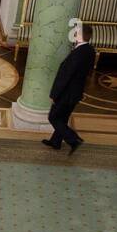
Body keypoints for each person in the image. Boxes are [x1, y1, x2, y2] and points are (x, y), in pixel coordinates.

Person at [43, 23, 96, 153]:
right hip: (76, 92)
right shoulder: (89, 50)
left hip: (67, 93)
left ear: (79, 35)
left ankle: (73, 139)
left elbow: (65, 76)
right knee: (63, 118)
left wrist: (55, 94)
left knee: (53, 117)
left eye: (76, 32)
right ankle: (56, 142)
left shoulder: (78, 53)